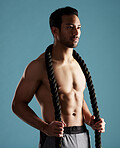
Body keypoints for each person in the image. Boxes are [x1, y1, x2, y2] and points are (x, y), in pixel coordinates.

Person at [12, 6, 105, 148]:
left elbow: (77, 97)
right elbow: (18, 105)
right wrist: (44, 128)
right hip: (56, 138)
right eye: (70, 27)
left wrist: (90, 120)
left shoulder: (78, 64)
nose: (76, 32)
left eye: (79, 27)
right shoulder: (39, 66)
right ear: (55, 30)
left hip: (82, 135)